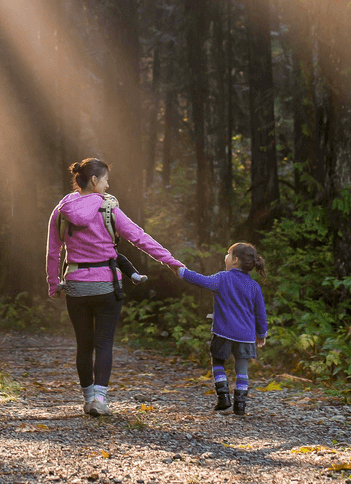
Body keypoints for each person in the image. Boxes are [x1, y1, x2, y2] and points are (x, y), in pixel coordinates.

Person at [47, 158, 185, 416]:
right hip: (107, 286)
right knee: (104, 344)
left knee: (83, 345)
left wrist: (54, 284)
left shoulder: (61, 210)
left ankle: (88, 400)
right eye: (106, 179)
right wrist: (171, 262)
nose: (108, 185)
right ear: (95, 180)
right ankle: (100, 399)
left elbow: (53, 252)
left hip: (76, 284)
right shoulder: (108, 208)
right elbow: (139, 238)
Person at [176, 243, 267, 416]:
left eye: (228, 254)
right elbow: (260, 313)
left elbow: (201, 280)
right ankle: (240, 404)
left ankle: (223, 397)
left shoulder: (223, 278)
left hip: (223, 332)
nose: (225, 257)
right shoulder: (254, 286)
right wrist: (261, 334)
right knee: (242, 368)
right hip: (246, 336)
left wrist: (182, 272)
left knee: (217, 361)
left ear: (235, 260)